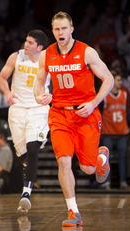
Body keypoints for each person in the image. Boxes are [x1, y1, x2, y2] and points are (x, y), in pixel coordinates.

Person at [34, 11, 114, 227]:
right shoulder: (46, 55)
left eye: (64, 28)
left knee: (88, 169)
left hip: (85, 113)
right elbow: (39, 82)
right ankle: (73, 212)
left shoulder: (86, 52)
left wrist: (93, 103)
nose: (61, 32)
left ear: (71, 29)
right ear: (53, 32)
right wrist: (40, 95)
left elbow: (108, 79)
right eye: (57, 29)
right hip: (59, 114)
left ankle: (101, 158)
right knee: (64, 161)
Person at [0, 29, 51, 212]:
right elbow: (2, 77)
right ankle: (28, 178)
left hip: (39, 109)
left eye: (30, 43)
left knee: (33, 147)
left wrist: (51, 96)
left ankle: (26, 192)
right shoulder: (16, 57)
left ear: (40, 47)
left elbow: (59, 84)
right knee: (23, 156)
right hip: (18, 109)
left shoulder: (49, 59)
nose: (25, 45)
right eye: (26, 41)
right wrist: (7, 92)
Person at [100, 70, 130, 190]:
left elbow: (127, 112)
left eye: (120, 80)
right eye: (118, 80)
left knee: (123, 156)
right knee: (106, 157)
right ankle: (106, 182)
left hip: (122, 131)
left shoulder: (124, 94)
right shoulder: (105, 96)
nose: (120, 82)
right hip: (108, 131)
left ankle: (123, 181)